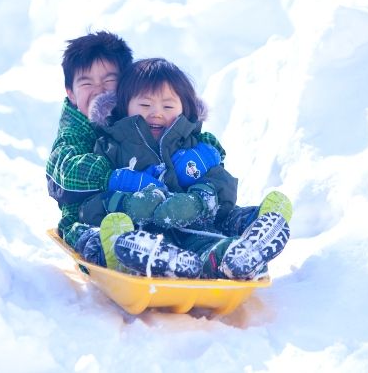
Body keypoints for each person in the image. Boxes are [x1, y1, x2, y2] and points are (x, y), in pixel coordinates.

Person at [75, 58, 292, 280]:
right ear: (123, 106)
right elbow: (90, 202)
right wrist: (128, 203)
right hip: (143, 233)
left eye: (167, 106)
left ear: (184, 108)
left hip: (196, 226)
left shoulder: (194, 145)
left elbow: (221, 183)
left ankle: (240, 251)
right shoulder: (111, 147)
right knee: (122, 238)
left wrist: (198, 201)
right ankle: (157, 260)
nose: (156, 113)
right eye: (145, 105)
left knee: (212, 239)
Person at [45, 32, 225, 271]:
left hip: (150, 214)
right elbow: (64, 171)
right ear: (71, 92)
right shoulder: (75, 129)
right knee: (91, 235)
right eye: (87, 83)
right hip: (85, 217)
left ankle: (185, 254)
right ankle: (113, 252)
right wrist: (114, 178)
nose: (99, 90)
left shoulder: (136, 116)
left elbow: (188, 138)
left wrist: (205, 153)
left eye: (109, 81)